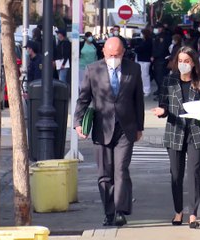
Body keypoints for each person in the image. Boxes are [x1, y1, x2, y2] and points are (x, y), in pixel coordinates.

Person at [74, 37, 145, 227]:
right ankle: (109, 212)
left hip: (125, 127)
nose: (113, 58)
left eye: (117, 55)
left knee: (120, 169)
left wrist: (140, 127)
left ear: (123, 53)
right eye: (110, 54)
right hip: (101, 127)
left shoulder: (133, 69)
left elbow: (138, 100)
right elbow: (83, 98)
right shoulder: (93, 69)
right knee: (105, 174)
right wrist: (78, 122)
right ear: (103, 52)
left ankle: (120, 210)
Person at [151, 46, 200, 229]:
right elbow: (163, 105)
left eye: (187, 61)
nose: (183, 64)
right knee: (176, 174)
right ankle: (178, 211)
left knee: (193, 173)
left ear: (193, 63)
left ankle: (193, 214)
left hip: (195, 132)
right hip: (175, 132)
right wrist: (161, 111)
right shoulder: (169, 80)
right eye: (180, 61)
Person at [151, 22, 172, 100]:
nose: (156, 30)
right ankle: (160, 91)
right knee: (157, 77)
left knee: (161, 78)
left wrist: (155, 55)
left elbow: (162, 49)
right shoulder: (156, 36)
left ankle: (162, 95)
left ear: (161, 28)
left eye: (158, 28)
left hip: (162, 60)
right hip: (157, 60)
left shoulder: (164, 36)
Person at [134, 28, 153, 96]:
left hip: (145, 60)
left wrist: (137, 49)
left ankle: (147, 90)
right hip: (141, 59)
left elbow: (141, 49)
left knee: (145, 75)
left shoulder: (148, 41)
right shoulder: (143, 41)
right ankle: (142, 89)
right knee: (141, 76)